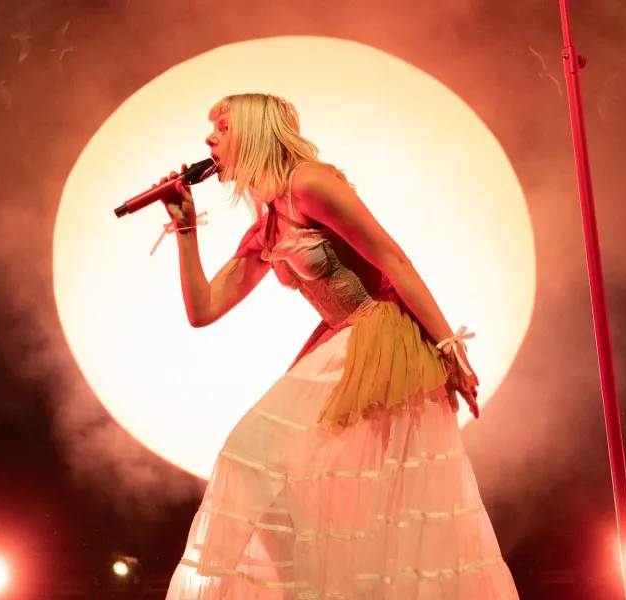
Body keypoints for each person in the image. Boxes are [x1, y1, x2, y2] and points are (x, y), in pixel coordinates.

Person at [160, 93, 518, 599]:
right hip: (341, 343)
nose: (209, 139)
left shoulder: (310, 182)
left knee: (276, 463)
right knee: (285, 476)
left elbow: (394, 259)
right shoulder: (266, 225)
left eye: (221, 126)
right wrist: (185, 227)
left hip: (382, 337)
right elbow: (204, 310)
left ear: (256, 131)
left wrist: (447, 345)